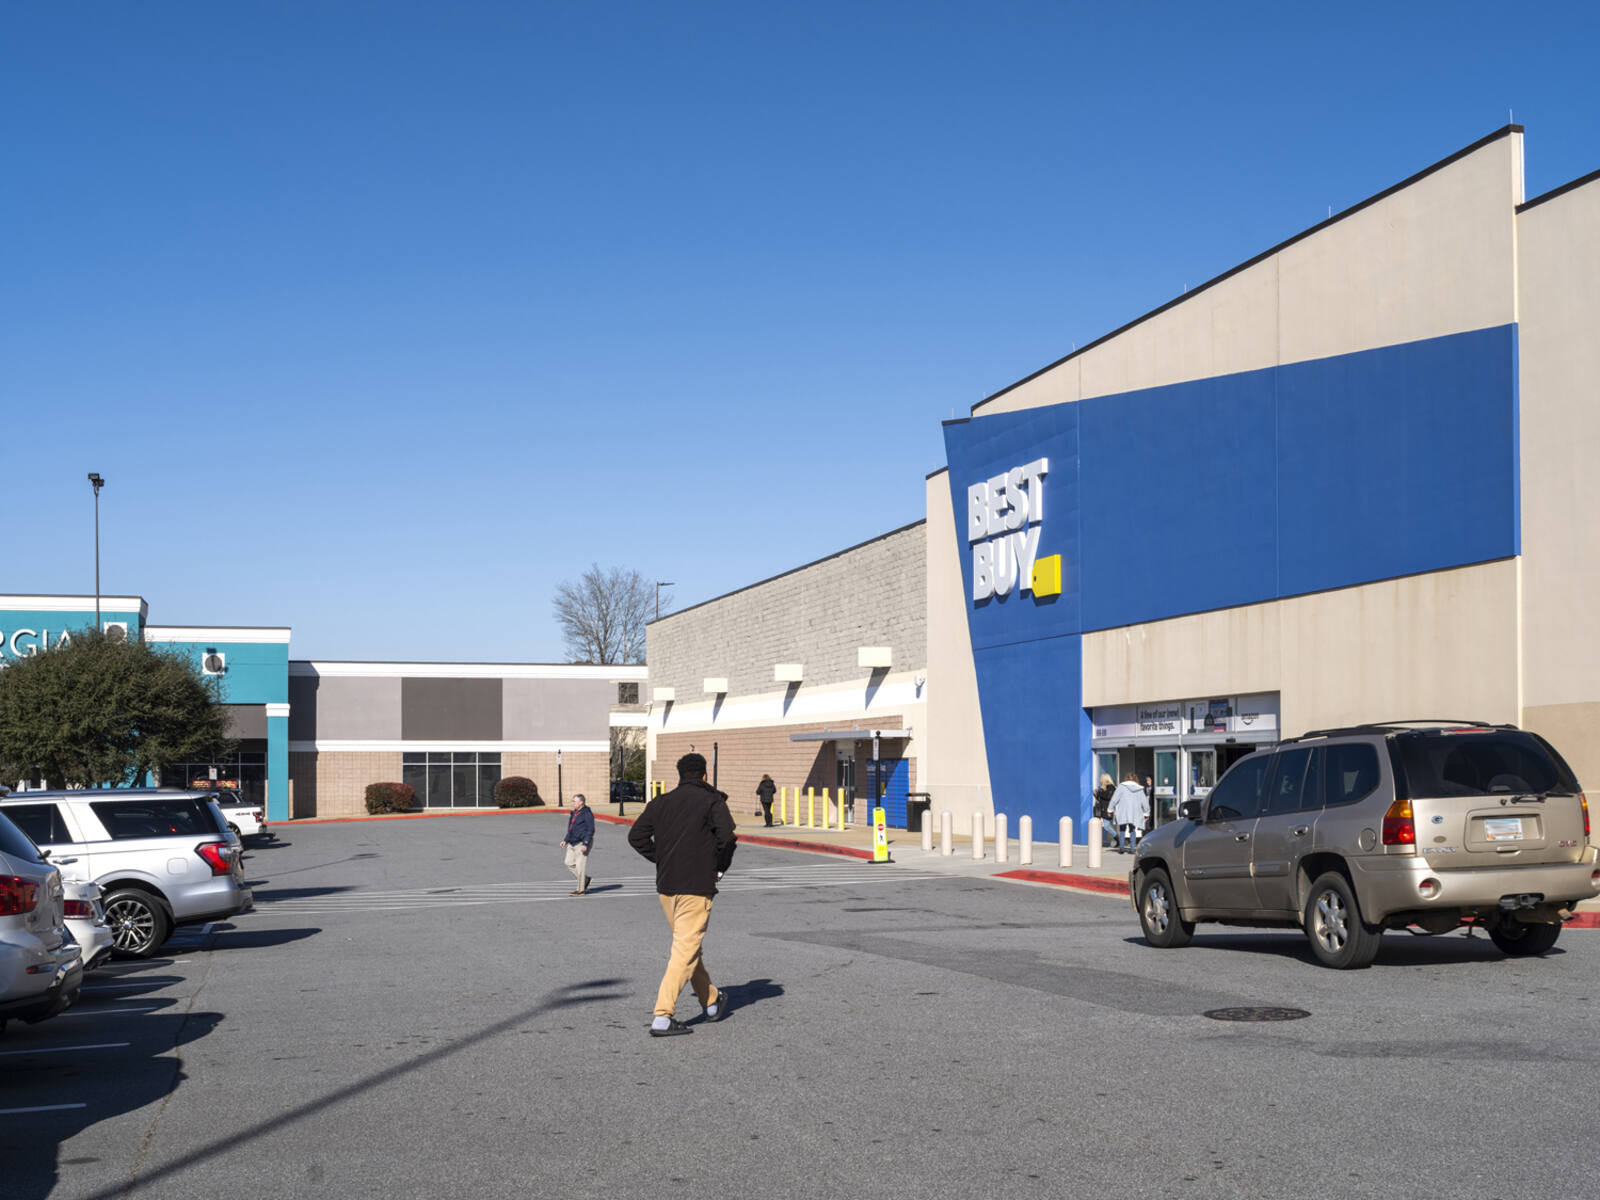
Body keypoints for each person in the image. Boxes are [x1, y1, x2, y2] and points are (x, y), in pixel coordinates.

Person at [628, 752, 737, 1038]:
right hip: (697, 886)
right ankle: (662, 1017)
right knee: (684, 950)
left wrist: (661, 858)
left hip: (667, 887)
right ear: (704, 775)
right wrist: (719, 867)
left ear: (680, 775)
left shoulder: (661, 802)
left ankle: (711, 1002)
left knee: (687, 947)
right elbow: (727, 837)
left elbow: (636, 836)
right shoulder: (712, 801)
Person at [562, 792, 595, 895]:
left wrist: (585, 843)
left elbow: (591, 830)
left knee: (580, 867)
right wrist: (565, 840)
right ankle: (585, 879)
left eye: (574, 801)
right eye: (572, 801)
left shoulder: (587, 814)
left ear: (581, 803)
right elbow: (570, 829)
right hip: (572, 842)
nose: (573, 803)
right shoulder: (574, 813)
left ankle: (580, 890)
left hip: (582, 843)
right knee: (568, 862)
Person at [1110, 772, 1149, 854]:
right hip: (1134, 812)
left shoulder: (1121, 787)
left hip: (1122, 811)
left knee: (1122, 829)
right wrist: (1146, 813)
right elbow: (1144, 802)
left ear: (1126, 779)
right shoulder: (1139, 789)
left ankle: (1121, 848)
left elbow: (1114, 799)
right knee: (1132, 830)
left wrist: (1110, 809)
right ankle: (1132, 848)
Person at [1092, 773, 1117, 847]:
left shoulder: (1111, 787)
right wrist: (1096, 794)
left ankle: (1117, 838)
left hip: (1107, 810)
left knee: (1106, 826)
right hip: (1101, 810)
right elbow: (1100, 799)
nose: (1100, 781)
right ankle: (1097, 842)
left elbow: (1108, 797)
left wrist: (1100, 792)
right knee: (1099, 826)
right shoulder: (1103, 788)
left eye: (1101, 779)